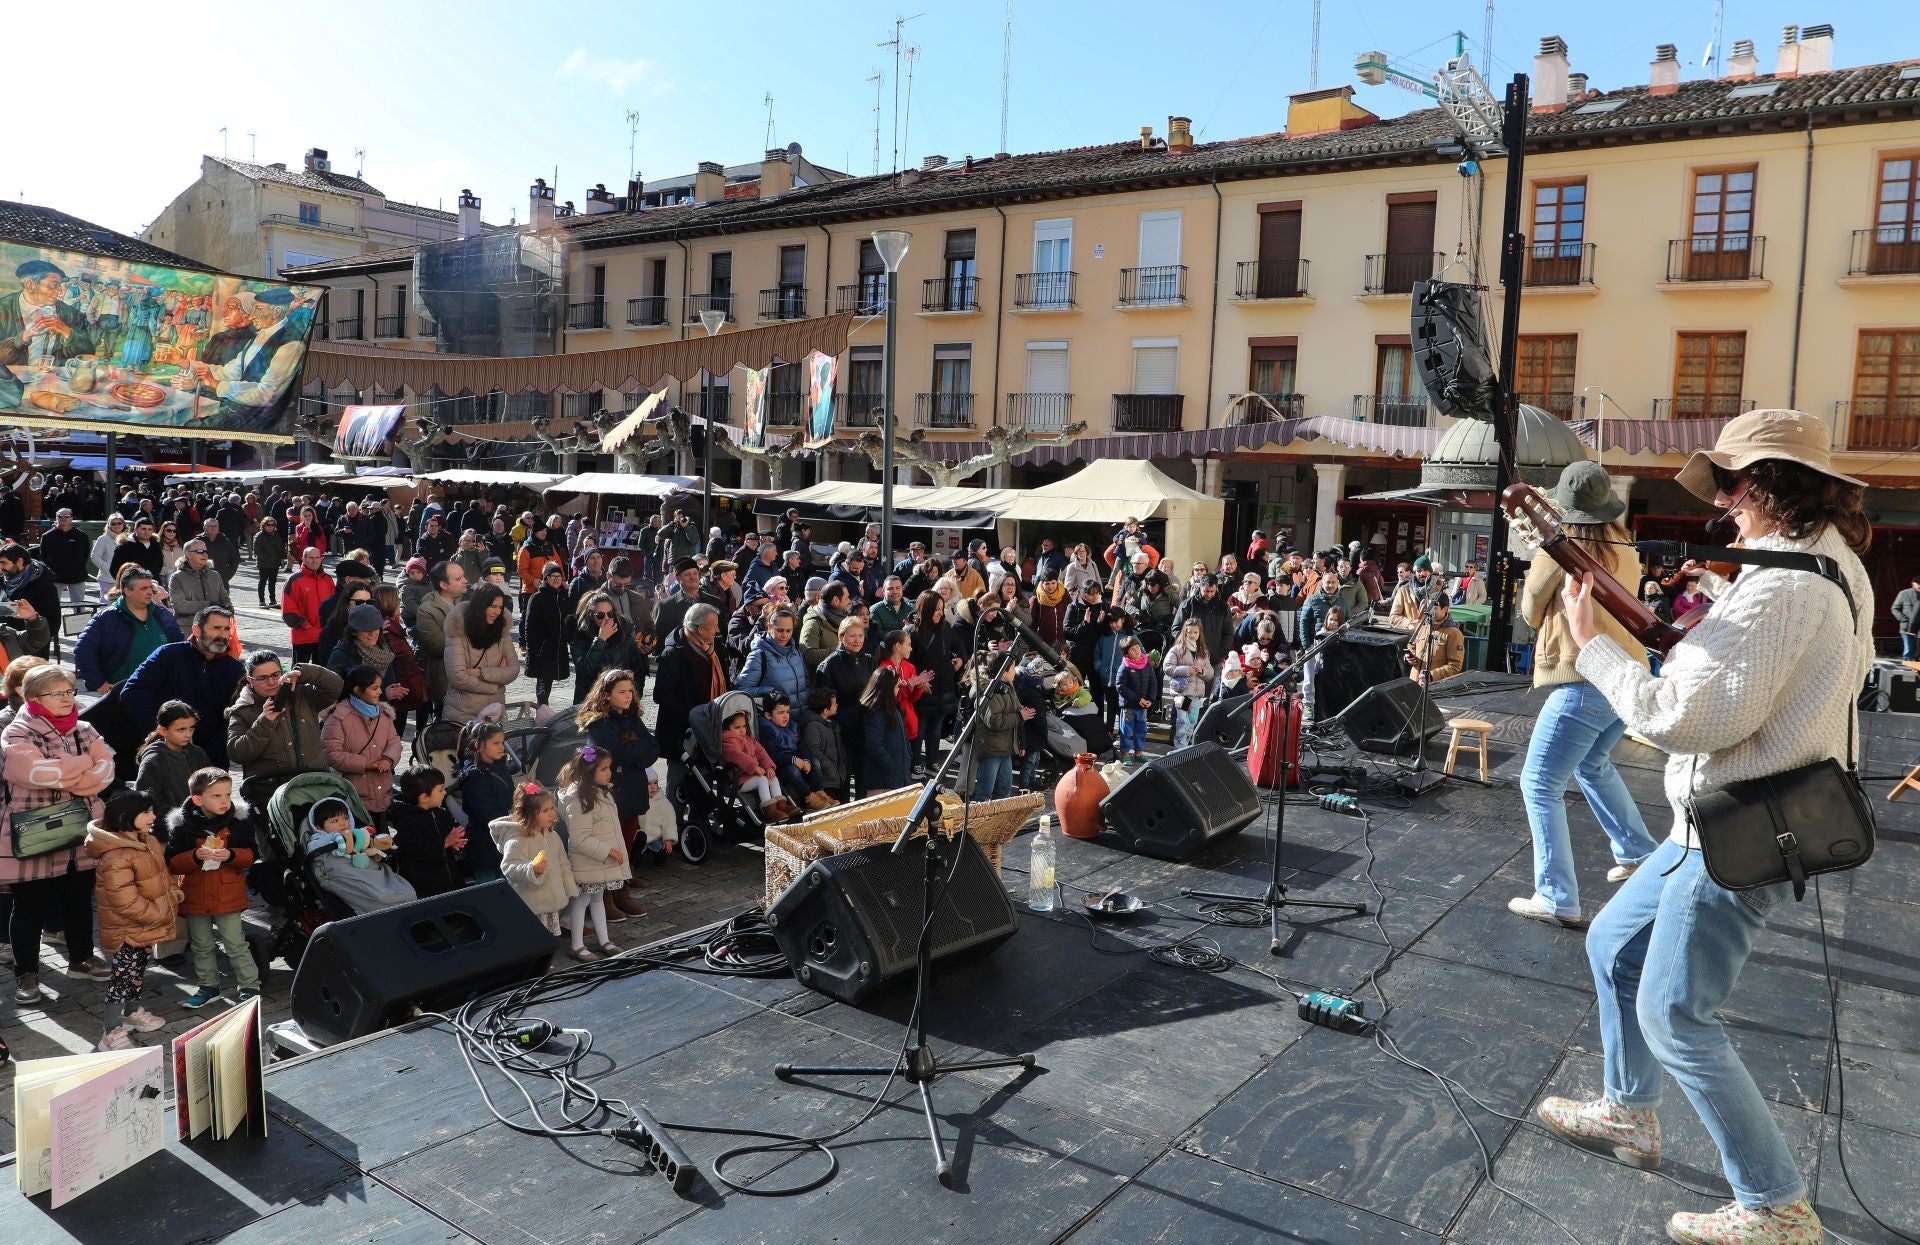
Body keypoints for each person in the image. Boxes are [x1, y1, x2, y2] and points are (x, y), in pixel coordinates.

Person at [1539, 409, 1872, 1243]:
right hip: (1714, 820)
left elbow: (1681, 716)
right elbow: (1796, 656)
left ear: (1765, 485)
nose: (1722, 503)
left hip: (1732, 829)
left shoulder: (1785, 588)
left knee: (1677, 1014)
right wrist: (1725, 601)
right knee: (1614, 943)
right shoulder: (1830, 566)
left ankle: (1776, 1203)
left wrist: (1595, 645)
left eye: (1728, 484)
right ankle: (1628, 1111)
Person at [1509, 460, 1660, 929]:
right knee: (1593, 765)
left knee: (1538, 784)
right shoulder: (1626, 546)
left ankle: (1556, 896)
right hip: (1625, 672)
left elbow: (1531, 611)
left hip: (1581, 678)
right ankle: (1638, 853)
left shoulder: (1558, 550)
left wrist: (1541, 558)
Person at [5, 664, 117, 1004]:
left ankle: (81, 958)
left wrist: (70, 772)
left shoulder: (85, 727)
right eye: (59, 693)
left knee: (79, 897)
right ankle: (26, 972)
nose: (69, 698)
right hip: (36, 829)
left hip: (80, 827)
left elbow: (107, 770)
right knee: (29, 906)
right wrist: (84, 765)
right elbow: (36, 773)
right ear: (34, 698)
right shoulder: (16, 733)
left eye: (69, 691)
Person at [84, 791, 178, 1050]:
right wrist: (157, 912)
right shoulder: (116, 855)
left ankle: (132, 1012)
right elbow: (123, 900)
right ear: (126, 817)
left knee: (136, 974)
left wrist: (173, 892)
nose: (153, 817)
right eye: (146, 812)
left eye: (152, 811)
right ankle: (111, 1031)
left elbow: (163, 875)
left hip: (144, 927)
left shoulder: (148, 842)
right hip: (128, 929)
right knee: (121, 980)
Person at [163, 768, 261, 1009]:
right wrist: (195, 856)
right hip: (195, 895)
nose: (224, 800)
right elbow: (172, 862)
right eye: (216, 796)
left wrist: (230, 854)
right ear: (198, 799)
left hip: (228, 895)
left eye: (227, 794)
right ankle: (209, 986)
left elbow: (251, 855)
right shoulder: (183, 826)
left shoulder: (239, 823)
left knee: (235, 943)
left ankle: (249, 986)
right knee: (201, 945)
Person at [579, 669, 661, 899]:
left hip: (633, 783)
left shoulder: (631, 716)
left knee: (629, 833)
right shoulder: (598, 722)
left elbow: (653, 747)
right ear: (606, 695)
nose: (629, 696)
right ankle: (611, 891)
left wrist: (634, 757)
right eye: (622, 692)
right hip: (613, 788)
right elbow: (618, 754)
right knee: (612, 837)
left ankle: (624, 876)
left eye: (630, 691)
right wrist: (635, 752)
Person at [652, 603, 728, 819]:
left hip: (707, 726)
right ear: (698, 628)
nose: (717, 630)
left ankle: (699, 822)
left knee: (703, 778)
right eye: (713, 626)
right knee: (678, 780)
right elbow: (662, 694)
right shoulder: (673, 653)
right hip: (680, 732)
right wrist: (691, 717)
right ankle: (673, 827)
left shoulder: (714, 648)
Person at [559, 747, 633, 957]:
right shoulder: (581, 799)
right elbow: (580, 838)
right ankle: (576, 945)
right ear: (589, 771)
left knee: (598, 899)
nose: (609, 772)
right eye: (603, 769)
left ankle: (604, 940)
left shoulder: (602, 792)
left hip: (599, 863)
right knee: (581, 901)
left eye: (609, 767)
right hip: (588, 862)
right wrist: (608, 850)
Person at [226, 652, 344, 783]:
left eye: (275, 675)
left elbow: (336, 686)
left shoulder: (301, 693)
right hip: (270, 789)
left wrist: (304, 673)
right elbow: (237, 753)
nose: (271, 682)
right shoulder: (243, 709)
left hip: (315, 783)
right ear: (250, 680)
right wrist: (265, 722)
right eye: (262, 678)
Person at [74, 567, 183, 695]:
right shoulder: (107, 617)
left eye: (150, 588)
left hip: (161, 689)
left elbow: (180, 648)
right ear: (127, 591)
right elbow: (83, 651)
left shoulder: (162, 614)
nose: (150, 592)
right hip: (122, 692)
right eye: (143, 589)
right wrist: (98, 683)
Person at [322, 667, 406, 829]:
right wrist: (366, 764)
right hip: (353, 796)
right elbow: (332, 754)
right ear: (357, 690)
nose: (380, 692)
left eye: (379, 687)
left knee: (382, 843)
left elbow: (394, 742)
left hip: (382, 790)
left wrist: (388, 759)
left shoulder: (383, 713)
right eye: (374, 688)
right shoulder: (338, 717)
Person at [304, 796, 415, 915]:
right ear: (319, 827)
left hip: (367, 870)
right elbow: (313, 848)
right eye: (335, 821)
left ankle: (395, 896)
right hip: (341, 871)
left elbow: (369, 843)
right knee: (381, 899)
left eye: (345, 818)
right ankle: (383, 902)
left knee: (405, 890)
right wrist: (335, 838)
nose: (342, 823)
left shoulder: (358, 833)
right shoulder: (318, 839)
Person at [443, 584, 521, 726]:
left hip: (494, 713)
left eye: (500, 607)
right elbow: (458, 677)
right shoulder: (458, 631)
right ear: (481, 606)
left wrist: (481, 672)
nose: (497, 612)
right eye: (492, 606)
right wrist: (494, 685)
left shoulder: (502, 632)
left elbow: (514, 670)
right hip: (463, 712)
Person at [907, 590, 962, 775]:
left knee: (936, 730)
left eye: (942, 608)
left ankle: (932, 762)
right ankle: (916, 762)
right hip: (922, 692)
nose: (940, 612)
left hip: (943, 689)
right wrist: (918, 680)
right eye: (936, 609)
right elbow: (907, 661)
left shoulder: (945, 628)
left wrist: (960, 659)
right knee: (918, 731)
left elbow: (960, 647)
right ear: (926, 609)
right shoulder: (912, 632)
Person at [452, 724, 513, 883]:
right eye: (496, 743)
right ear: (479, 746)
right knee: (490, 888)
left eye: (502, 742)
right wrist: (513, 817)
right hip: (485, 843)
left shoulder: (499, 766)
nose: (501, 747)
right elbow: (485, 813)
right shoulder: (474, 776)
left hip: (503, 835)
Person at [759, 690, 834, 811]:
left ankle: (820, 794)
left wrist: (805, 759)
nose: (786, 716)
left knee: (814, 761)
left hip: (796, 759)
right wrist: (793, 760)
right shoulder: (767, 730)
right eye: (780, 713)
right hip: (779, 766)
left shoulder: (793, 725)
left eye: (788, 712)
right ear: (768, 715)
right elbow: (771, 755)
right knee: (792, 771)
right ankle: (809, 798)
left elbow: (801, 745)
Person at [414, 561, 467, 726]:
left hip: (470, 680)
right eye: (459, 578)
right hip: (445, 681)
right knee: (447, 727)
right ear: (444, 585)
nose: (466, 580)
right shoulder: (427, 610)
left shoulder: (465, 603)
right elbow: (438, 645)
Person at [134, 700, 212, 812]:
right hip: (166, 826)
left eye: (191, 728)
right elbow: (145, 801)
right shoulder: (153, 761)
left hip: (201, 821)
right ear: (162, 730)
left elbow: (211, 787)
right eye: (181, 730)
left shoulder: (198, 753)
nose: (188, 734)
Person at [722, 707, 797, 821]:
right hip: (739, 779)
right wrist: (754, 767)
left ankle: (782, 805)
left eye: (744, 726)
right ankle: (769, 810)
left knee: (772, 778)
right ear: (727, 728)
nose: (742, 730)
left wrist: (768, 766)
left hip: (753, 775)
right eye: (737, 727)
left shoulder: (748, 738)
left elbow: (761, 752)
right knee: (762, 780)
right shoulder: (728, 741)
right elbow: (737, 756)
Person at [572, 592, 646, 705]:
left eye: (610, 614)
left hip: (621, 703)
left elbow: (637, 670)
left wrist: (632, 697)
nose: (606, 618)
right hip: (591, 702)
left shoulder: (624, 633)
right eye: (600, 615)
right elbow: (585, 672)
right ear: (591, 616)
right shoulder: (580, 637)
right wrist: (601, 639)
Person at [971, 657, 1024, 800]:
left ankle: (1000, 822)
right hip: (991, 750)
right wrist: (1020, 715)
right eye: (1013, 668)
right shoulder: (988, 691)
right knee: (985, 792)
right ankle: (981, 821)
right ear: (1003, 672)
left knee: (1004, 792)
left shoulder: (1009, 687)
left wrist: (1021, 742)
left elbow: (1017, 710)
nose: (1015, 671)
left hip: (1005, 749)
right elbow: (994, 721)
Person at [522, 562, 572, 707]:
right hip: (542, 647)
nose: (556, 579)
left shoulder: (563, 596)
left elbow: (568, 620)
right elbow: (529, 625)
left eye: (558, 576)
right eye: (552, 576)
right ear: (545, 578)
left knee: (549, 678)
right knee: (543, 680)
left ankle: (544, 711)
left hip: (558, 648)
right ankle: (542, 710)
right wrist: (532, 648)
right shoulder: (537, 598)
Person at [736, 606, 809, 701]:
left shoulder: (796, 652)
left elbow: (806, 683)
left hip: (803, 714)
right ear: (770, 627)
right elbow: (742, 690)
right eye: (780, 630)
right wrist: (770, 692)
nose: (785, 635)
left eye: (788, 631)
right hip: (773, 715)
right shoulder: (758, 656)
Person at [1163, 618, 1215, 749]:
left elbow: (1210, 673)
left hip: (1196, 695)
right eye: (1189, 632)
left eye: (1195, 632)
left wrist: (1202, 670)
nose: (1192, 635)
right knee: (1182, 722)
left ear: (1199, 634)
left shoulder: (1203, 652)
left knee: (1192, 722)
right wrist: (1186, 670)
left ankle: (1185, 748)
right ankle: (1179, 748)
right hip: (1183, 693)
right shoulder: (1177, 649)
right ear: (1184, 633)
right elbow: (1167, 667)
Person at [283, 545, 334, 664]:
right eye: (311, 557)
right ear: (303, 559)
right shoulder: (294, 580)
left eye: (317, 557)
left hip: (323, 636)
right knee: (299, 675)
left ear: (321, 559)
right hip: (303, 636)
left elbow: (334, 605)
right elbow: (288, 610)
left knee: (322, 675)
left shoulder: (327, 579)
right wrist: (306, 626)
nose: (314, 560)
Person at [35, 509, 90, 611]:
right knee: (52, 606)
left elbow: (85, 555)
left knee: (79, 607)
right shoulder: (47, 536)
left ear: (72, 518)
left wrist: (78, 567)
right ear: (56, 518)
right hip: (55, 576)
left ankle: (79, 627)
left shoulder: (82, 536)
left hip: (77, 575)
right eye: (60, 516)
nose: (63, 518)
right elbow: (44, 555)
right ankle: (53, 626)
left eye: (66, 516)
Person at [1405, 595, 1467, 685]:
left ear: (1445, 609)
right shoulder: (1423, 626)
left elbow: (1455, 666)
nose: (1429, 611)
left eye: (1434, 608)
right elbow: (1411, 645)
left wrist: (1431, 675)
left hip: (1434, 687)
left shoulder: (1454, 633)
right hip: (1413, 683)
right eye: (1428, 607)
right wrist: (1409, 657)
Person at [801, 687, 850, 802]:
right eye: (834, 704)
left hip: (838, 779)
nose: (837, 705)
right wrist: (831, 768)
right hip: (827, 782)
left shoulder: (832, 724)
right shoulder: (813, 726)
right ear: (825, 710)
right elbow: (813, 750)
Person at [1113, 636, 1157, 758]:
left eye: (1137, 647)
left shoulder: (1146, 664)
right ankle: (1125, 753)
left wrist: (1150, 699)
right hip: (1129, 706)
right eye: (1132, 649)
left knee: (1141, 730)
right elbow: (1120, 687)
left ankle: (1139, 752)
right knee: (1126, 731)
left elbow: (1153, 684)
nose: (1137, 651)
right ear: (1126, 653)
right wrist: (1138, 699)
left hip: (1143, 706)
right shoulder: (1124, 667)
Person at [91, 513, 127, 600]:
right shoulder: (103, 539)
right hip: (107, 579)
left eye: (119, 523)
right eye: (113, 523)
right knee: (106, 604)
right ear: (109, 525)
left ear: (123, 524)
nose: (116, 525)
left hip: (125, 579)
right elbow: (94, 556)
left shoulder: (129, 538)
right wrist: (108, 568)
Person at [252, 514, 285, 608]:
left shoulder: (277, 535)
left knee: (272, 582)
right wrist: (268, 559)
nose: (270, 527)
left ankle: (273, 601)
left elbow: (280, 548)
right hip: (264, 563)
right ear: (264, 525)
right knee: (262, 581)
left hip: (275, 563)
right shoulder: (259, 536)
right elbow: (257, 550)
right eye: (268, 525)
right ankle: (261, 601)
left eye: (272, 525)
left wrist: (282, 558)